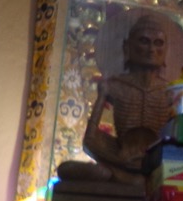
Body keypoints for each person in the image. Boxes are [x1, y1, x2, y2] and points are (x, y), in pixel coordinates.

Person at [58, 14, 174, 185]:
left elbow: (178, 142)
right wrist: (120, 161)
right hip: (120, 162)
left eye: (158, 43)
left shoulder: (170, 91)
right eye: (144, 41)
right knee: (68, 169)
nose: (151, 50)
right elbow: (90, 140)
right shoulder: (113, 86)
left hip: (157, 167)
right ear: (127, 47)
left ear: (166, 51)